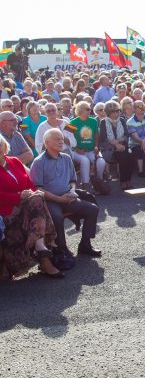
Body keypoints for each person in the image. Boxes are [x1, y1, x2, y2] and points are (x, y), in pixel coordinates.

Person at [30, 128, 101, 257]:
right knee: (57, 217)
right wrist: (59, 199)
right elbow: (38, 189)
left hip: (68, 196)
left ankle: (85, 244)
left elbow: (73, 180)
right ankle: (62, 249)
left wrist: (72, 191)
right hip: (50, 200)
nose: (61, 141)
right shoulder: (39, 162)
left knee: (93, 209)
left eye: (62, 138)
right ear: (46, 143)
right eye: (57, 139)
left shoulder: (66, 158)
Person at [0, 134, 62, 279]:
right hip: (6, 211)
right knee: (37, 199)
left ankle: (40, 246)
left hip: (28, 207)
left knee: (37, 196)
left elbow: (31, 184)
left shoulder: (14, 161)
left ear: (4, 147)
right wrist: (19, 196)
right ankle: (42, 245)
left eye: (0, 145)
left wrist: (30, 193)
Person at [99, 100, 134, 190]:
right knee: (123, 157)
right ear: (108, 113)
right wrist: (116, 145)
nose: (116, 113)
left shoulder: (122, 120)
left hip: (122, 145)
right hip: (109, 148)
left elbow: (126, 135)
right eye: (113, 111)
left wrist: (119, 142)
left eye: (117, 111)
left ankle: (128, 180)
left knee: (130, 156)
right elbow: (104, 137)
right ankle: (123, 181)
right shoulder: (103, 122)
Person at [70, 101, 105, 190]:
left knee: (101, 162)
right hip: (77, 151)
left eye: (90, 109)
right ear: (80, 110)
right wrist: (77, 149)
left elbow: (96, 135)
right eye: (88, 109)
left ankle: (98, 181)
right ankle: (85, 184)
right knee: (85, 160)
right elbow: (67, 138)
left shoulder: (93, 121)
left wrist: (96, 146)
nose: (90, 111)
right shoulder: (72, 122)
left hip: (91, 150)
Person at [127, 99, 145, 186]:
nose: (142, 108)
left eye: (143, 106)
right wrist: (143, 141)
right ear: (134, 109)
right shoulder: (130, 122)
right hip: (134, 144)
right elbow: (135, 137)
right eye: (139, 106)